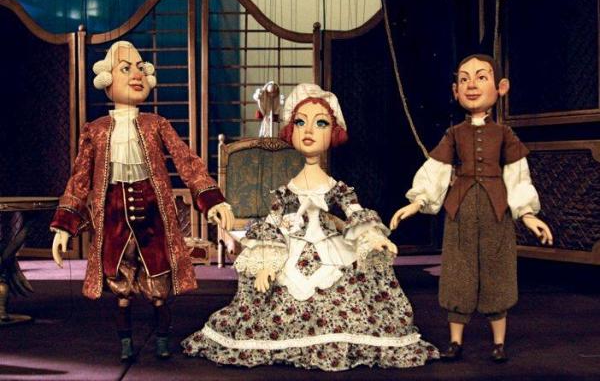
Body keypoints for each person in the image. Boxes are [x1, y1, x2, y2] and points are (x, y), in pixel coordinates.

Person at [182, 83, 438, 370]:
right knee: (275, 298)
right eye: (300, 122)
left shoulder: (338, 189)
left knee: (348, 292)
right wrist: (266, 263)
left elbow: (355, 213)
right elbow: (271, 224)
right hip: (293, 246)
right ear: (291, 130)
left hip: (330, 247)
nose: (309, 131)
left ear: (334, 132)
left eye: (321, 123)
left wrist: (374, 238)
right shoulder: (286, 191)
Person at [49, 41, 234, 361]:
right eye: (125, 68)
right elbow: (79, 179)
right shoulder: (96, 130)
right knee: (121, 290)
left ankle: (162, 339)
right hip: (113, 221)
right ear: (108, 78)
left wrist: (212, 199)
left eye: (140, 67)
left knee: (158, 288)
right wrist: (64, 225)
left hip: (153, 219)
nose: (136, 74)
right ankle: (125, 343)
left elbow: (186, 161)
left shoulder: (155, 124)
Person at [390, 54, 553, 363]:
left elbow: (517, 176)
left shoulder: (504, 135)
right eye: (464, 79)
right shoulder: (454, 135)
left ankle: (499, 343)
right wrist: (417, 201)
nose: (472, 85)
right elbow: (437, 170)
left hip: (496, 213)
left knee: (497, 273)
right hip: (460, 213)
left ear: (501, 87)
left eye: (481, 77)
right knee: (457, 273)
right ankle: (455, 342)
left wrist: (527, 214)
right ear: (455, 91)